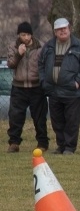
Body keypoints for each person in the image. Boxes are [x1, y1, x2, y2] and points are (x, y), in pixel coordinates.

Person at [38, 18, 80, 155]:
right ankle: (61, 146)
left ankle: (69, 147)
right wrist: (44, 81)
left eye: (64, 28)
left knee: (72, 121)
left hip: (72, 92)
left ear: (69, 29)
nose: (62, 31)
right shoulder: (48, 46)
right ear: (55, 32)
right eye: (59, 29)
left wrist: (78, 81)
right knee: (57, 121)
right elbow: (40, 64)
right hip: (53, 91)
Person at [6, 22, 49, 153]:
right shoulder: (13, 46)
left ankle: (42, 143)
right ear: (19, 35)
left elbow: (46, 65)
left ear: (31, 35)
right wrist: (19, 54)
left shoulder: (40, 46)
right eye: (23, 34)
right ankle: (14, 142)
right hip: (19, 87)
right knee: (15, 116)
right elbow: (10, 64)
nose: (26, 37)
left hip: (36, 87)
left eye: (28, 34)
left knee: (39, 117)